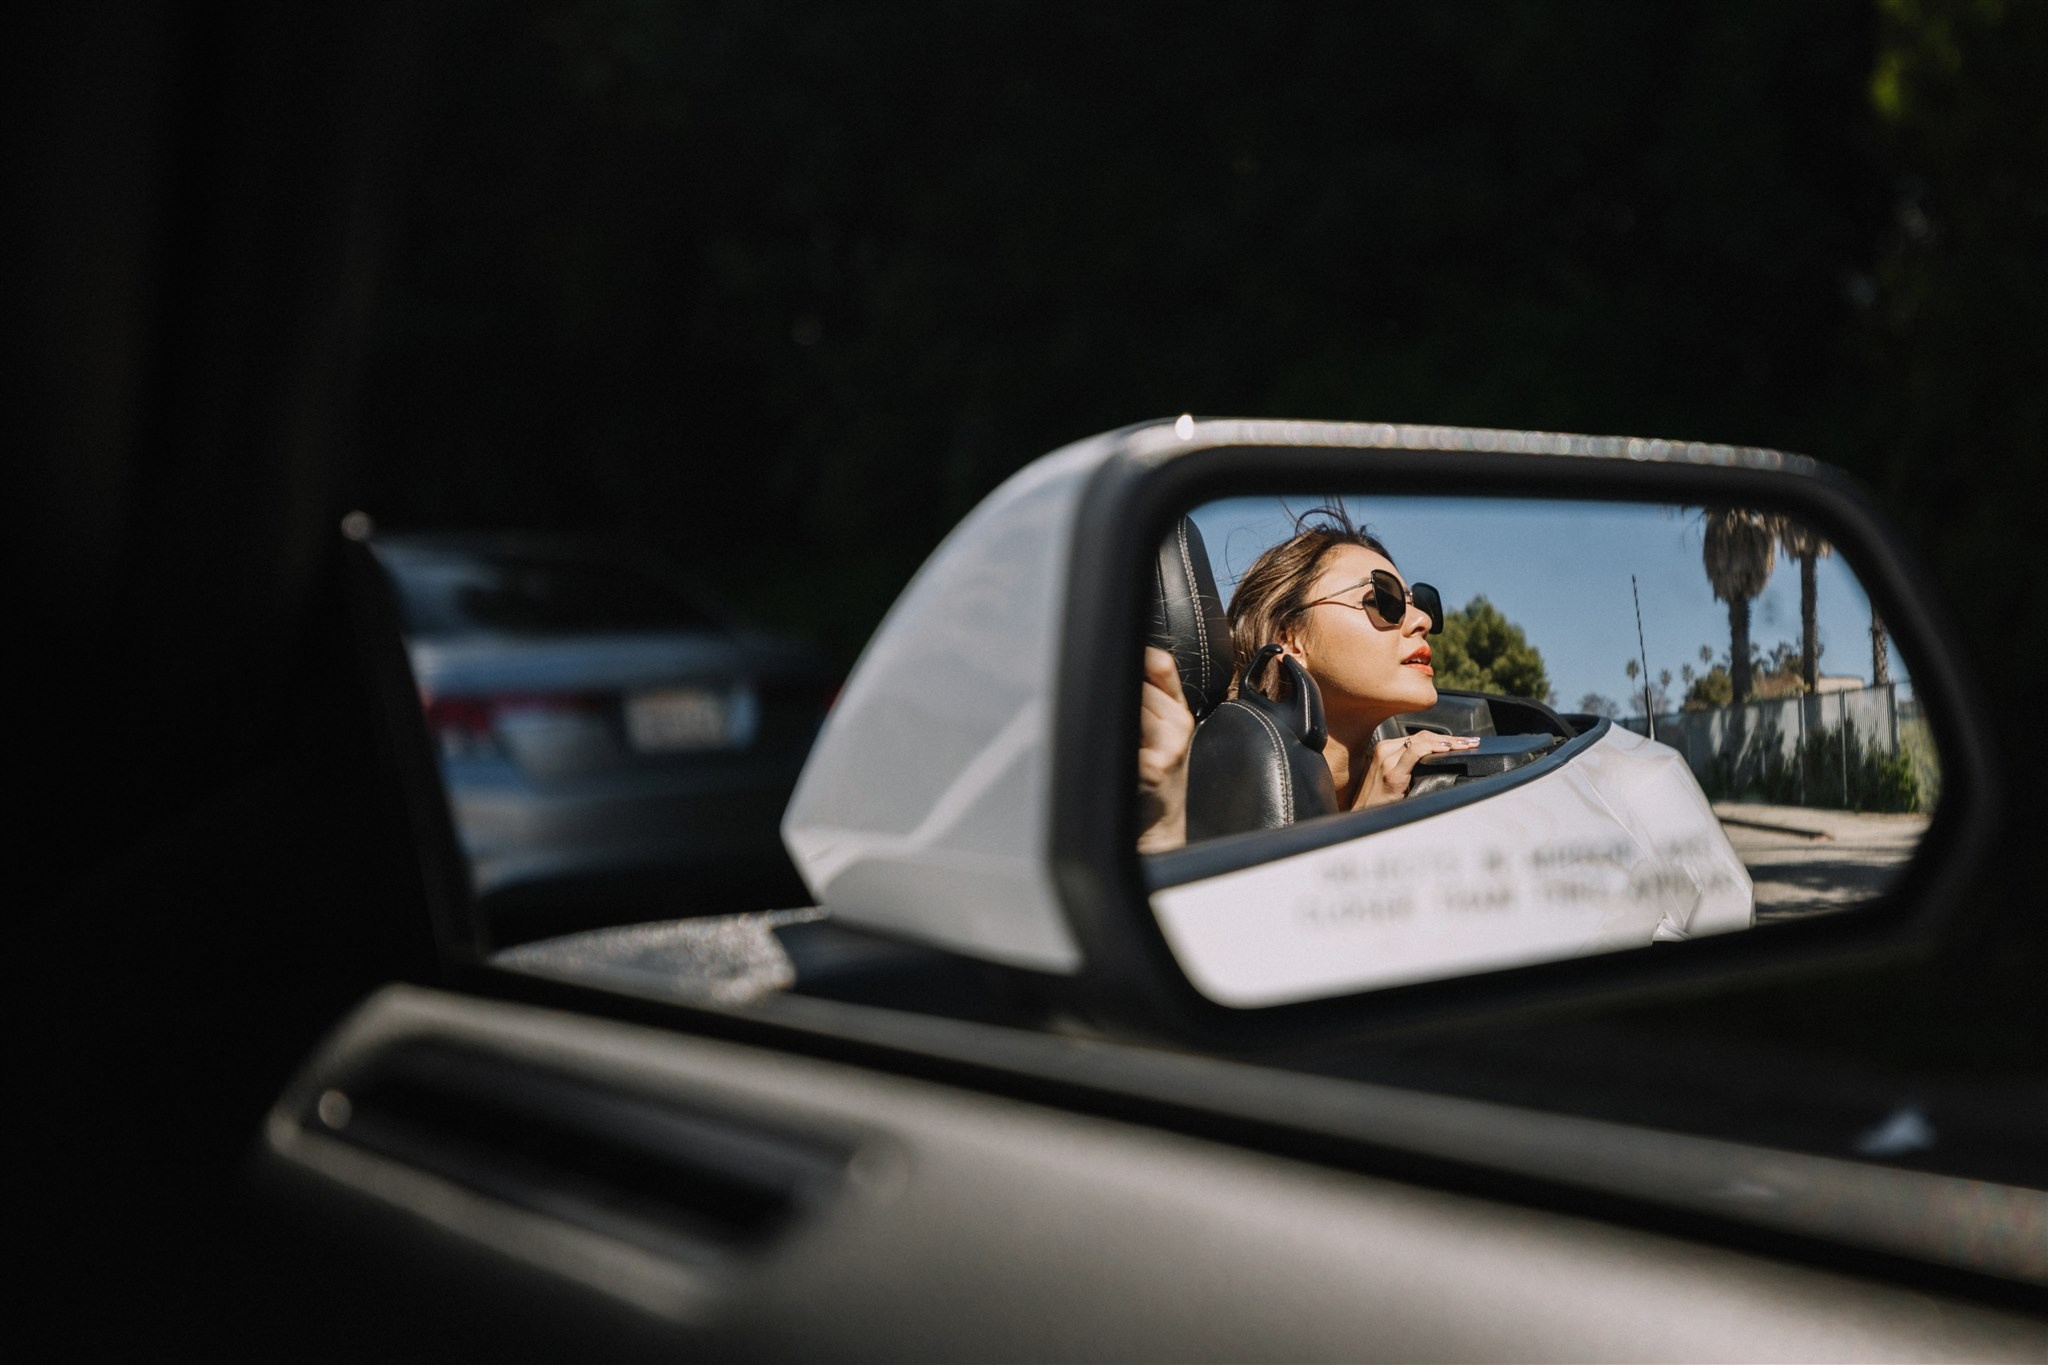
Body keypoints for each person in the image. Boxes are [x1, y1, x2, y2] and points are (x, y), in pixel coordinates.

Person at [1225, 510, 1475, 811]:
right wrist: (1364, 821)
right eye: (1382, 599)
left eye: (1419, 604)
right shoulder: (1218, 799)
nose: (1423, 620)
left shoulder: (1424, 784)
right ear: (1289, 639)